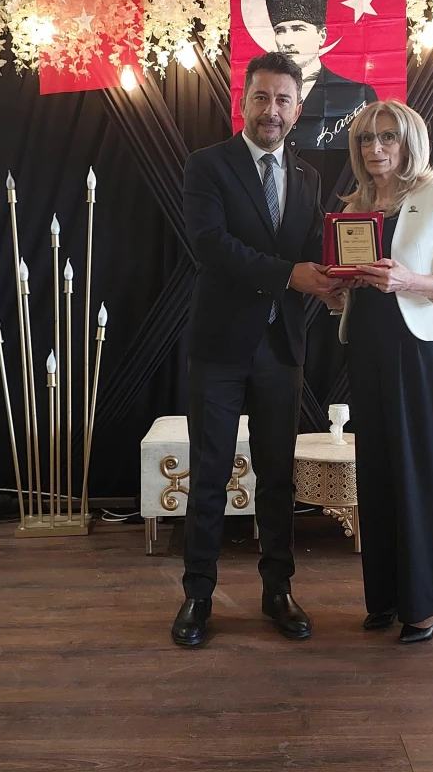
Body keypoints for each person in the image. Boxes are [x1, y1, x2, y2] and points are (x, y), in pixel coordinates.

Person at [171, 51, 340, 648]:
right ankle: (198, 595)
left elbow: (310, 251)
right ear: (243, 101)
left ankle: (278, 591)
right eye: (262, 97)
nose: (272, 110)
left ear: (298, 109)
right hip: (219, 346)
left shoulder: (308, 177)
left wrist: (338, 279)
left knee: (277, 477)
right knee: (210, 474)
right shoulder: (207, 165)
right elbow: (210, 245)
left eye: (283, 100)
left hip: (281, 347)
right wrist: (290, 274)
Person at [328, 101, 433, 643]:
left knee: (418, 469)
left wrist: (409, 281)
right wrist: (338, 294)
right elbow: (351, 287)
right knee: (377, 470)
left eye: (387, 137)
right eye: (366, 138)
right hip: (365, 345)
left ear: (409, 142)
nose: (375, 147)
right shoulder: (353, 207)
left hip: (416, 349)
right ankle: (384, 597)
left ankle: (424, 602)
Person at [266, 0, 378, 151]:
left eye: (298, 29)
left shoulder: (358, 95)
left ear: (322, 35)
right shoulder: (264, 96)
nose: (287, 41)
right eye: (280, 31)